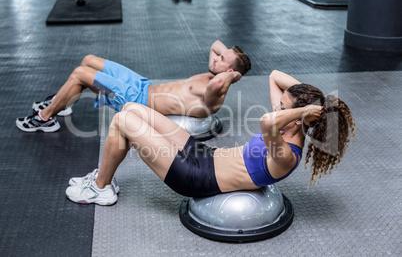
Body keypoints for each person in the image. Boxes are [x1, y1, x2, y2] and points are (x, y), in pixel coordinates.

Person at [65, 70, 356, 205]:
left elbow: (267, 120)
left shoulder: (288, 151)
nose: (276, 106)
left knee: (122, 120)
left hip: (195, 177)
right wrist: (317, 103)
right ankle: (104, 177)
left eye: (283, 107)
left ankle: (100, 187)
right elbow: (275, 76)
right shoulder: (286, 123)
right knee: (132, 108)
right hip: (202, 155)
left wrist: (304, 109)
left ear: (299, 118)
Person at [16, 40, 251, 132]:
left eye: (223, 60)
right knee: (89, 60)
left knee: (80, 74)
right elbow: (215, 45)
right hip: (142, 86)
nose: (216, 58)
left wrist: (233, 76)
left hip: (134, 101)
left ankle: (44, 119)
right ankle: (63, 103)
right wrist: (230, 57)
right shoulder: (215, 73)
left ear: (230, 73)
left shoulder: (215, 95)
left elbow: (221, 80)